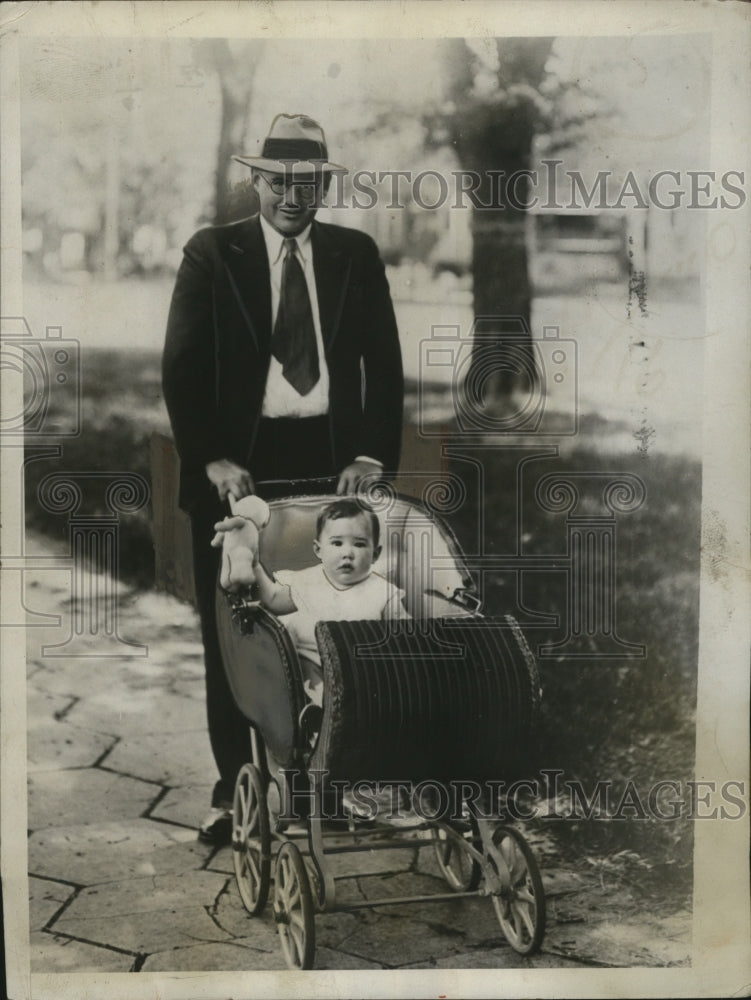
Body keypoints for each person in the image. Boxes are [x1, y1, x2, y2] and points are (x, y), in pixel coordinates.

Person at [162, 113, 404, 843]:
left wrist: (372, 456)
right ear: (258, 181)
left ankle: (327, 785)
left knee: (336, 617)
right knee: (237, 625)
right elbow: (181, 366)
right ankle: (233, 788)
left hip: (331, 461)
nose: (294, 198)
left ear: (323, 187)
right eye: (280, 182)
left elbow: (384, 364)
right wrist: (209, 455)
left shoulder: (353, 255)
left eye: (309, 183)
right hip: (240, 466)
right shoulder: (214, 252)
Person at [213, 497, 410, 706]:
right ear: (319, 550)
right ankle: (315, 710)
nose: (347, 553)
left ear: (375, 554)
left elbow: (405, 637)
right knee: (297, 664)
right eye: (337, 543)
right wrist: (255, 566)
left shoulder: (383, 592)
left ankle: (347, 708)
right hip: (314, 662)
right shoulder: (310, 581)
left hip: (361, 670)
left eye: (359, 544)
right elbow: (272, 599)